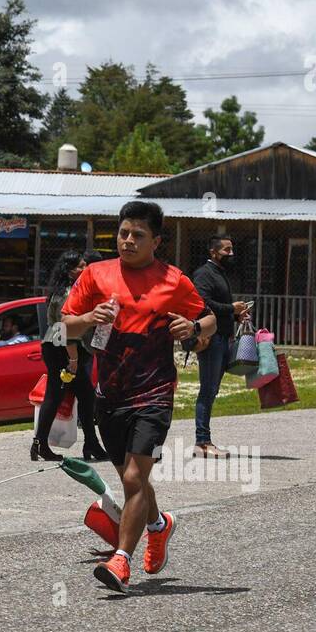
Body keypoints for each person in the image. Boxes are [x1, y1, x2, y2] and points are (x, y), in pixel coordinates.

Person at [62, 201, 216, 593]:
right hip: (109, 393)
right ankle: (158, 526)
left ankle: (121, 561)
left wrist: (192, 326)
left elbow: (208, 321)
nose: (128, 241)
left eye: (138, 235)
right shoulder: (96, 274)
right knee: (132, 481)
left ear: (157, 242)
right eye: (123, 233)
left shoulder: (173, 280)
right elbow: (64, 325)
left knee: (134, 477)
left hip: (154, 391)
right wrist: (88, 318)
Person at [32, 249, 105, 462]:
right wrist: (73, 360)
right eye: (80, 266)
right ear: (70, 270)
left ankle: (88, 444)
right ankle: (43, 444)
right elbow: (66, 331)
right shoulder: (67, 293)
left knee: (78, 395)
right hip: (61, 349)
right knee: (59, 395)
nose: (85, 269)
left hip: (60, 347)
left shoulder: (68, 289)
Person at [190, 236, 249, 458]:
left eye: (232, 249)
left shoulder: (220, 273)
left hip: (224, 337)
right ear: (214, 252)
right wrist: (230, 308)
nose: (231, 254)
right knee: (207, 389)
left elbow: (220, 309)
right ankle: (202, 441)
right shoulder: (204, 274)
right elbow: (202, 304)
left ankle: (204, 438)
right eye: (227, 250)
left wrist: (236, 316)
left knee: (212, 389)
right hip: (211, 339)